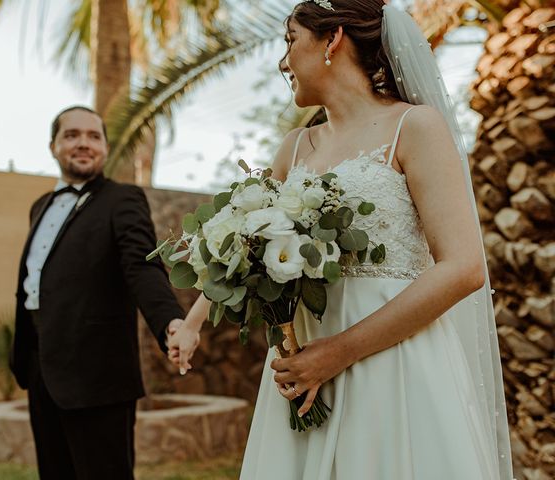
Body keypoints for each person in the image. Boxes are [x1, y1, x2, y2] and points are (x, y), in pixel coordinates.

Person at [166, 1, 513, 479]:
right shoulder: (295, 147)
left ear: (333, 39)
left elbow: (463, 268)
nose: (283, 62)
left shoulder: (414, 128)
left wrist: (337, 353)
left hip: (393, 364)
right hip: (302, 363)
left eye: (290, 41)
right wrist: (192, 322)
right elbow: (246, 244)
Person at [10, 105, 186, 480]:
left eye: (93, 136)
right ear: (53, 146)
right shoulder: (39, 207)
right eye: (71, 135)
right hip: (41, 369)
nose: (83, 143)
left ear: (105, 148)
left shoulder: (122, 199)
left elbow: (141, 264)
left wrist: (169, 321)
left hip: (98, 374)